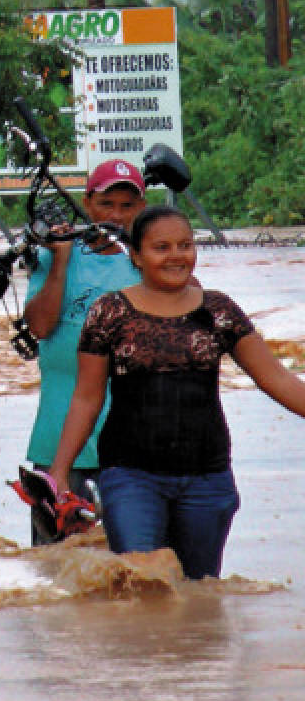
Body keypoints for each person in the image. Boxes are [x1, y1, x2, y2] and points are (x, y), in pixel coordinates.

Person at [49, 205, 305, 579]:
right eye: (161, 247)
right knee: (142, 584)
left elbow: (276, 379)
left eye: (185, 245)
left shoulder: (218, 311)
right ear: (136, 255)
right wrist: (59, 471)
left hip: (207, 477)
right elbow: (87, 398)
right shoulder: (109, 313)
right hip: (130, 475)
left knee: (198, 593)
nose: (176, 256)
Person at [20, 159, 146, 544]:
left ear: (142, 210)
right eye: (107, 204)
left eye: (128, 206)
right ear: (88, 204)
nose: (116, 215)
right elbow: (39, 326)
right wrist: (59, 262)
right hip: (58, 435)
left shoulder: (148, 261)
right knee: (54, 560)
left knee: (132, 558)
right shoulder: (56, 253)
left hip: (130, 439)